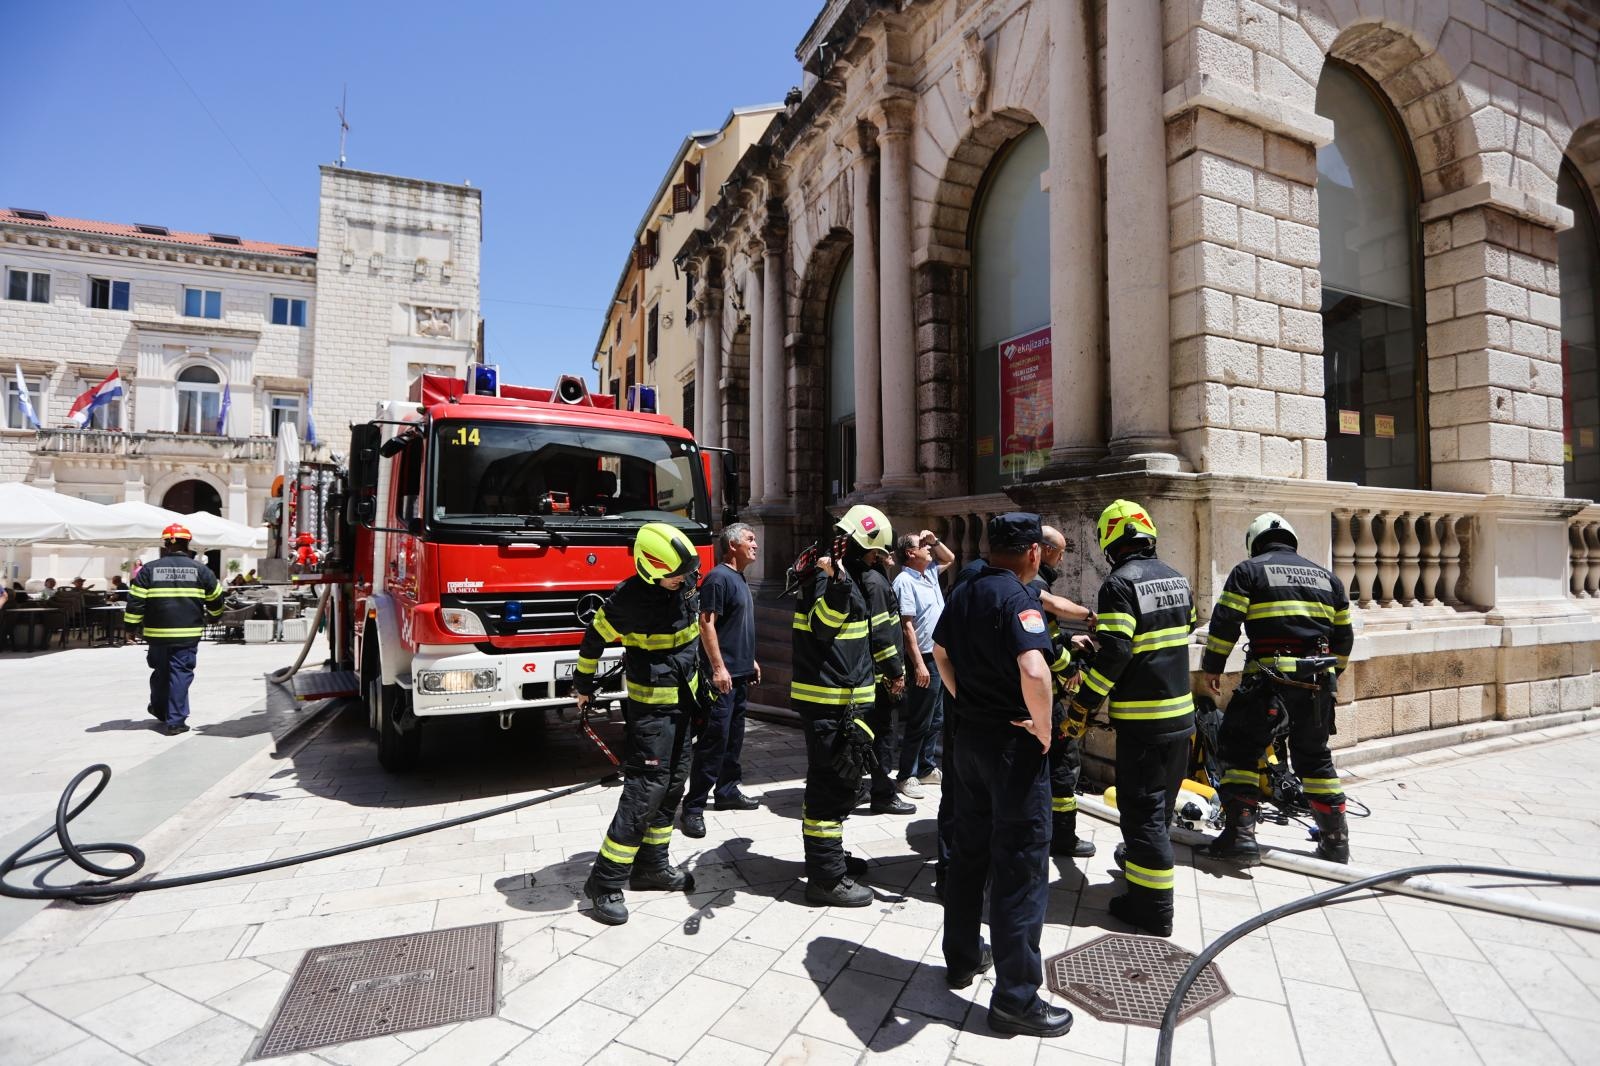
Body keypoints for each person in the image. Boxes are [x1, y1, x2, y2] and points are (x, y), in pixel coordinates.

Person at [933, 512, 1073, 1038]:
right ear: (1034, 553)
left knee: (969, 853)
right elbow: (1035, 670)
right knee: (1018, 868)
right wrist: (1043, 729)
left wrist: (963, 699)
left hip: (968, 739)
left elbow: (940, 651)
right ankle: (1016, 997)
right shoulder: (1018, 599)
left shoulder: (965, 589)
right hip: (1013, 748)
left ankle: (962, 957)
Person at [1066, 500, 1197, 937]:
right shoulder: (1177, 578)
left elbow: (1119, 653)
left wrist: (1083, 705)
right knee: (1158, 811)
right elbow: (1185, 627)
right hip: (1182, 716)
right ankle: (1141, 872)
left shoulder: (1119, 585)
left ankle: (1153, 908)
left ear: (1110, 543)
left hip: (1143, 721)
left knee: (1140, 812)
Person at [1200, 513, 1354, 865]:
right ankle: (1336, 842)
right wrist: (1333, 675)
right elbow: (1344, 636)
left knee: (1239, 749)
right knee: (1314, 758)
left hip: (1266, 683)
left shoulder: (1249, 570)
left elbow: (1226, 622)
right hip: (1316, 687)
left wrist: (1213, 667)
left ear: (1255, 543)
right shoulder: (1328, 578)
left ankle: (1240, 836)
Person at [573, 523, 704, 925]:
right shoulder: (627, 600)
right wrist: (583, 684)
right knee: (644, 793)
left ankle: (652, 867)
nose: (684, 579)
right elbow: (593, 638)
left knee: (673, 785)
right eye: (676, 573)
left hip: (685, 705)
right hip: (651, 714)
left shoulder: (684, 584)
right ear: (650, 568)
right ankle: (604, 881)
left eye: (686, 571)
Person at [791, 504, 891, 907]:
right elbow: (822, 626)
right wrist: (837, 585)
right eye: (873, 555)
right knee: (829, 788)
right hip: (829, 704)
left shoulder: (843, 574)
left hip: (845, 701)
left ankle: (829, 858)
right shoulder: (825, 577)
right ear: (854, 546)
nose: (876, 563)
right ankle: (825, 878)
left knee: (843, 784)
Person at [680, 523, 762, 838]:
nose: (755, 544)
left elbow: (735, 627)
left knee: (734, 739)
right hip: (722, 678)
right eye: (750, 539)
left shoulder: (740, 578)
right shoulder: (718, 578)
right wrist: (718, 668)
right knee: (714, 742)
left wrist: (749, 660)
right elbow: (706, 624)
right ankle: (694, 807)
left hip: (740, 673)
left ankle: (727, 791)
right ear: (732, 545)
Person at [123, 524, 225, 736]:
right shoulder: (202, 570)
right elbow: (216, 598)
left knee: (160, 672)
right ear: (188, 544)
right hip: (187, 634)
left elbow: (135, 602)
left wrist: (130, 628)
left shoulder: (149, 570)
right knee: (180, 673)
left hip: (156, 634)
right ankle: (176, 721)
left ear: (166, 544)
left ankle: (160, 709)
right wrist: (215, 616)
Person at [1035, 525, 1095, 860]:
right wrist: (1071, 669)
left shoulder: (1018, 581)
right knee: (1064, 761)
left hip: (1026, 694)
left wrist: (1069, 641)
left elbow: (1049, 633)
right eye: (1059, 552)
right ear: (1042, 550)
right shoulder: (1037, 585)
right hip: (1047, 695)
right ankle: (1063, 836)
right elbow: (1045, 646)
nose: (1061, 558)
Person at [851, 530, 914, 816]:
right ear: (876, 553)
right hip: (880, 678)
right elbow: (882, 633)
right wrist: (895, 673)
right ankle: (883, 794)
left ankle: (861, 788)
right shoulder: (876, 583)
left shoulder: (863, 578)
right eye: (886, 551)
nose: (891, 556)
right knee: (883, 736)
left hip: (866, 675)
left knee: (868, 735)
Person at [892, 530, 955, 796]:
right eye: (922, 546)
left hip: (940, 655)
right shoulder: (904, 581)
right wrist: (917, 664)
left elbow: (950, 558)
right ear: (910, 553)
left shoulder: (928, 573)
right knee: (920, 718)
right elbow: (907, 627)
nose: (928, 549)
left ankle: (926, 767)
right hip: (925, 658)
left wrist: (935, 540)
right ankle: (907, 773)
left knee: (937, 718)